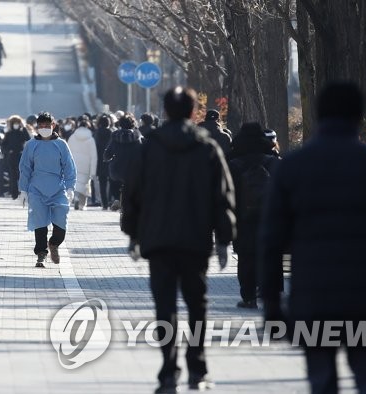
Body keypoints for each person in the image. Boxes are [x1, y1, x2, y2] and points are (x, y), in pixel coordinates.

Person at [260, 82, 366, 394]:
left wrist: (271, 302)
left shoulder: (293, 167)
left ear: (319, 114)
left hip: (313, 299)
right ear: (359, 115)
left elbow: (271, 240)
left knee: (322, 382)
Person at [121, 87, 235, 393]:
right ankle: (197, 369)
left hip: (158, 239)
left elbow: (132, 192)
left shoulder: (149, 148)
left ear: (166, 111)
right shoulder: (206, 147)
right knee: (197, 304)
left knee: (165, 306)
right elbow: (222, 195)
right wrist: (224, 238)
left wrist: (132, 233)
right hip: (196, 238)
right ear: (192, 111)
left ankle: (168, 371)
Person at [226, 122, 280, 309]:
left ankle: (249, 296)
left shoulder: (233, 164)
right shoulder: (273, 161)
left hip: (243, 219)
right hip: (270, 217)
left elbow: (226, 195)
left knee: (246, 257)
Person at [19, 112, 76, 268]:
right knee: (40, 222)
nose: (44, 128)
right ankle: (41, 254)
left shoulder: (61, 145)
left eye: (47, 125)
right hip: (36, 188)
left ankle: (54, 243)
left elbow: (69, 167)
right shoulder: (31, 145)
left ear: (53, 125)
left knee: (61, 222)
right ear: (37, 127)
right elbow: (25, 168)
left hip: (57, 188)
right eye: (41, 126)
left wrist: (70, 186)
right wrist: (23, 190)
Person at [103, 114, 144, 212]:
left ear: (120, 124)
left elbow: (108, 153)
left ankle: (117, 198)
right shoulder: (137, 137)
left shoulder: (115, 136)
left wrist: (106, 158)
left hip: (117, 170)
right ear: (133, 124)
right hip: (133, 171)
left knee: (113, 181)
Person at [67, 117, 98, 211]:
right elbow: (94, 156)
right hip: (86, 164)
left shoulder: (72, 137)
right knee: (85, 184)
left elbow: (67, 151)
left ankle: (75, 197)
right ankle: (82, 204)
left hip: (74, 161)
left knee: (75, 182)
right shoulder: (90, 139)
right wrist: (93, 172)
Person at [1, 115, 31, 199]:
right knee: (12, 176)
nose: (16, 124)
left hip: (21, 155)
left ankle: (22, 192)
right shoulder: (9, 133)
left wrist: (24, 128)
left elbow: (28, 139)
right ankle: (14, 193)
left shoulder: (22, 132)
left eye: (17, 123)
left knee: (21, 175)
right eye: (14, 123)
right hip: (11, 156)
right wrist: (8, 151)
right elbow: (3, 145)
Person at [93, 114, 113, 210]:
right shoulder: (111, 132)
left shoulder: (96, 133)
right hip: (110, 160)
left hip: (99, 160)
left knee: (102, 183)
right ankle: (110, 201)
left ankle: (104, 204)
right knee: (112, 182)